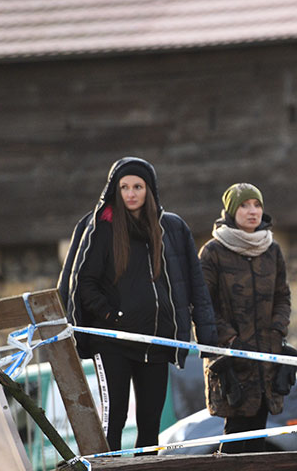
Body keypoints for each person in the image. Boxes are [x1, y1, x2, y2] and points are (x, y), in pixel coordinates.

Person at [58, 157, 217, 452]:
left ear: (150, 190)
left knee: (150, 424)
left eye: (138, 186)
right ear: (115, 190)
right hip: (113, 340)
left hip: (156, 340)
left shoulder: (171, 228)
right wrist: (111, 314)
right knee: (114, 418)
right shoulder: (100, 228)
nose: (131, 193)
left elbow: (194, 285)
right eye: (124, 187)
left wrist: (207, 338)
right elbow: (82, 283)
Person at [199, 183, 291, 453]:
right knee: (235, 436)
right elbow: (203, 306)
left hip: (266, 357)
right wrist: (230, 338)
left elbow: (283, 296)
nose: (252, 211)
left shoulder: (272, 250)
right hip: (232, 361)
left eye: (257, 205)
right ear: (231, 211)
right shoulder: (213, 252)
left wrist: (278, 329)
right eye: (244, 205)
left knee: (258, 436)